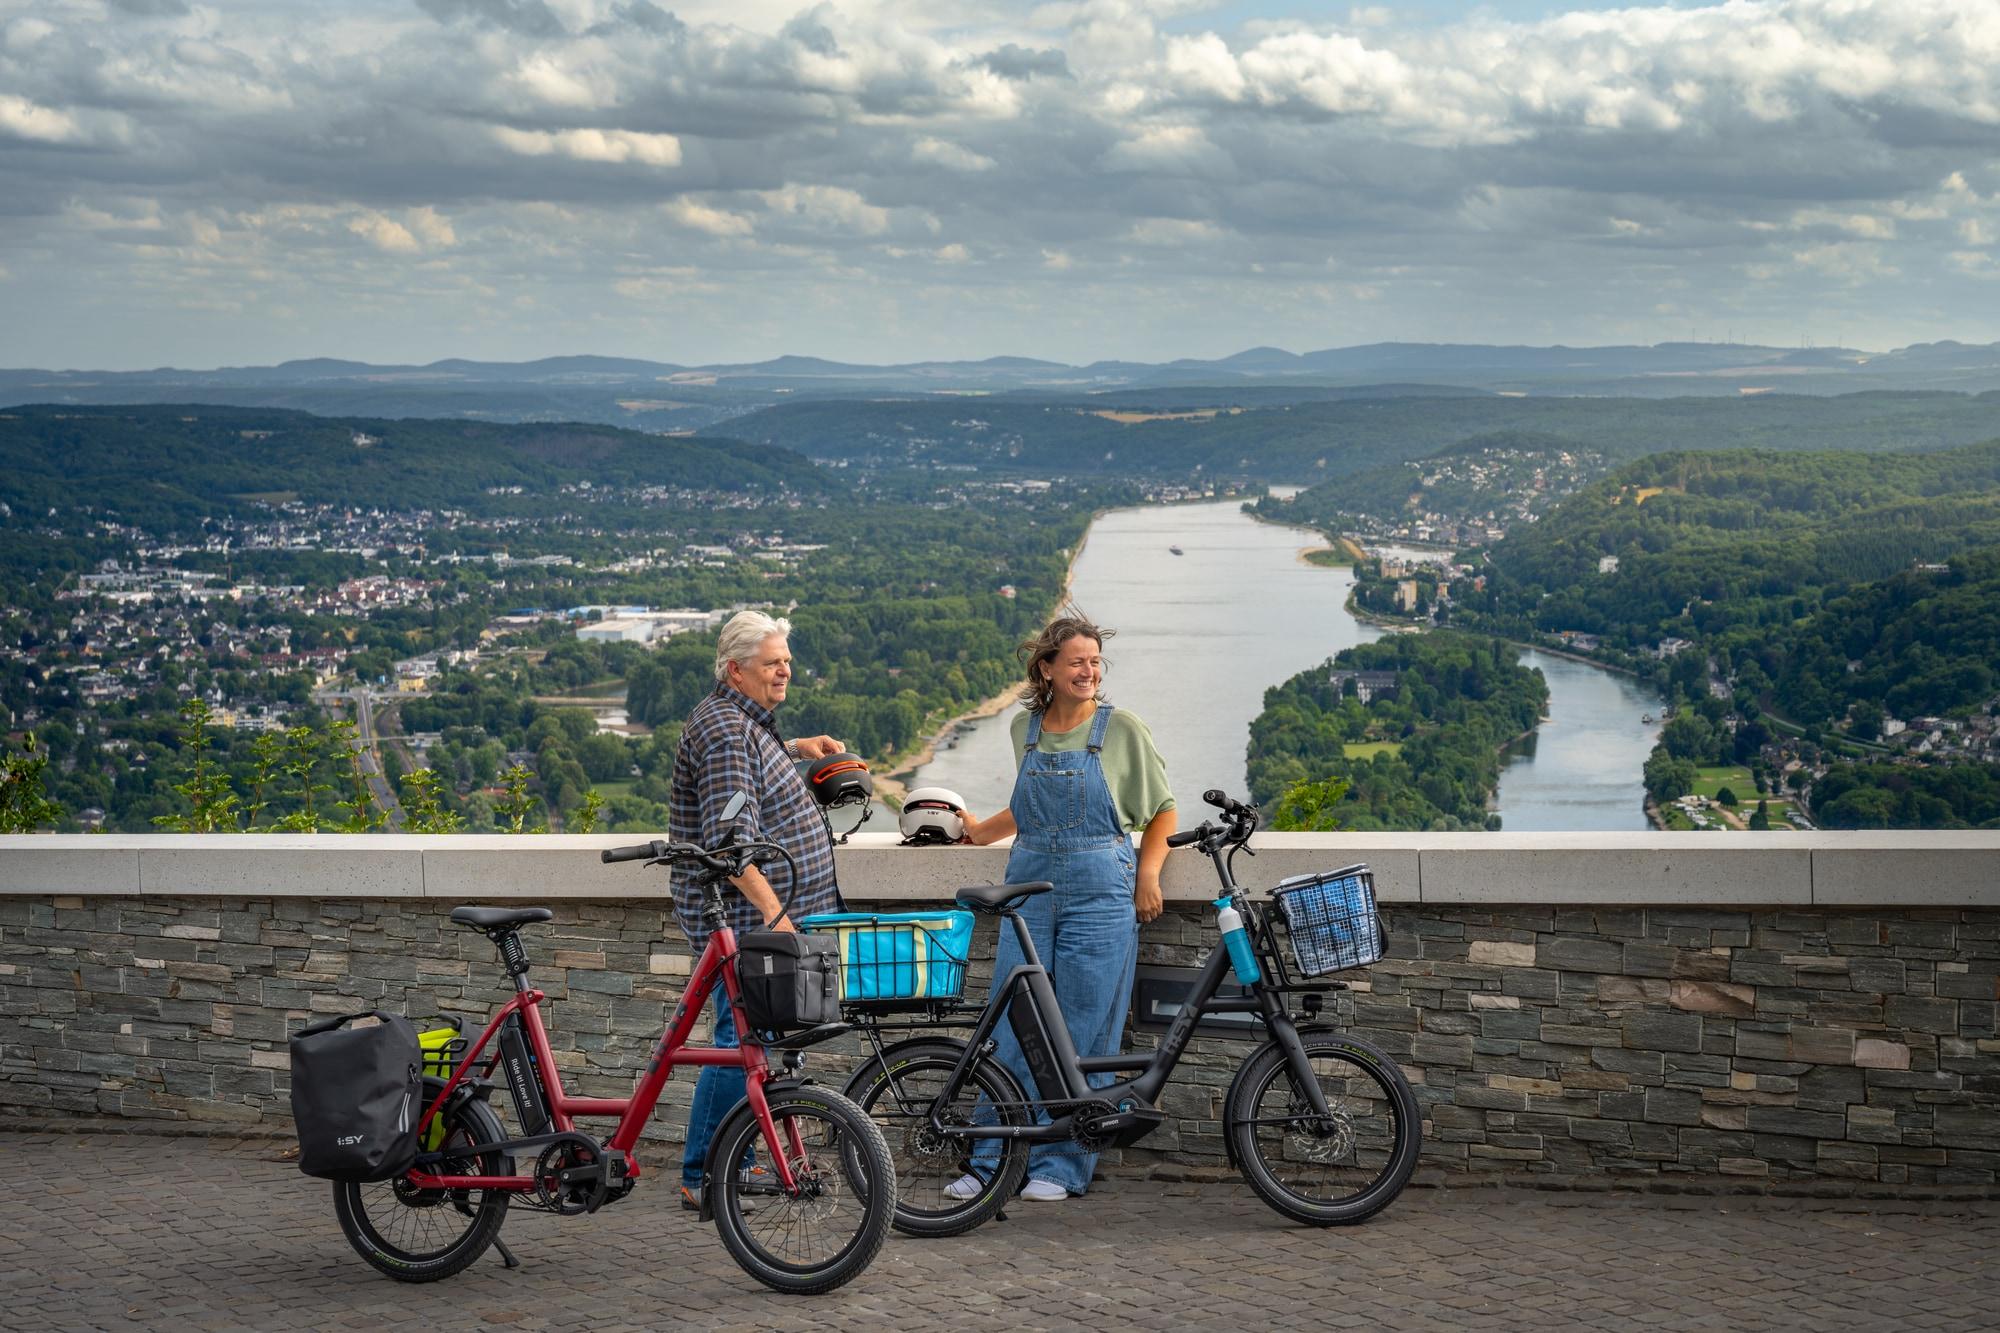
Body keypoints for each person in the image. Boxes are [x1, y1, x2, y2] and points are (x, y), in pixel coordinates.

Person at [952, 611, 1176, 1202]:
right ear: (1046, 668)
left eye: (1095, 661)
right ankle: (989, 1156)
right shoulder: (1022, 729)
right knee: (1008, 1023)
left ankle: (1062, 1165)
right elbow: (1028, 808)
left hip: (1102, 891)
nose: (1089, 671)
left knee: (1084, 1026)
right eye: (1076, 661)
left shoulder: (1122, 728)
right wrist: (979, 833)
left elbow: (1162, 811)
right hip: (1029, 890)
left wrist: (1148, 874)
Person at [667, 609, 846, 1210]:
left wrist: (798, 747)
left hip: (757, 922)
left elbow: (747, 774)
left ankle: (727, 1164)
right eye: (773, 664)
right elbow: (730, 842)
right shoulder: (725, 732)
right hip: (745, 924)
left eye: (787, 661)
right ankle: (702, 1174)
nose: (785, 672)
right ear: (735, 670)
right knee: (735, 1042)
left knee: (753, 1043)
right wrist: (776, 917)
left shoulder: (742, 722)